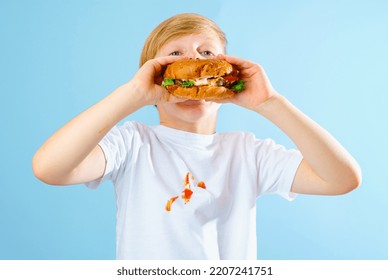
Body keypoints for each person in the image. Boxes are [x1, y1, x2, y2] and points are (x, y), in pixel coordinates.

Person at [32, 13, 361, 260]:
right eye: (175, 54)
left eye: (207, 53)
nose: (193, 60)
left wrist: (271, 104)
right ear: (154, 75)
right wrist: (131, 95)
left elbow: (341, 179)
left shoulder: (247, 152)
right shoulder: (131, 144)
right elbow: (50, 168)